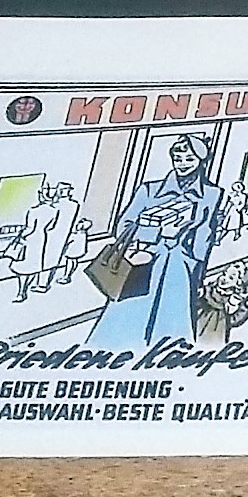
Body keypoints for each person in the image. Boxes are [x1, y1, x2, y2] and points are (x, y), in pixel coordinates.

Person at [91, 132, 225, 349]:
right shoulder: (149, 189)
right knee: (129, 318)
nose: (182, 164)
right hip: (144, 264)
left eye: (189, 159)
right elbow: (124, 226)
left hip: (181, 266)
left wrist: (197, 273)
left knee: (173, 321)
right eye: (178, 159)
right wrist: (158, 232)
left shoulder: (212, 193)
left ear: (201, 161)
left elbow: (204, 236)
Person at [9, 181, 80, 303]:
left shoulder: (56, 206)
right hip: (56, 237)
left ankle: (40, 285)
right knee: (48, 262)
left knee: (44, 262)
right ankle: (42, 284)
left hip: (50, 238)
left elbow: (37, 226)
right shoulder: (71, 205)